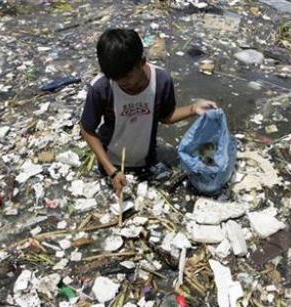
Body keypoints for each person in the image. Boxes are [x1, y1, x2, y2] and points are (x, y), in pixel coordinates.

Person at [80, 28, 216, 195]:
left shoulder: (161, 80)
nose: (123, 84)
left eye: (128, 78)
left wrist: (193, 108)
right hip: (111, 163)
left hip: (146, 160)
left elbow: (166, 117)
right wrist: (111, 171)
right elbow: (87, 130)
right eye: (117, 80)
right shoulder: (101, 87)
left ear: (141, 62)